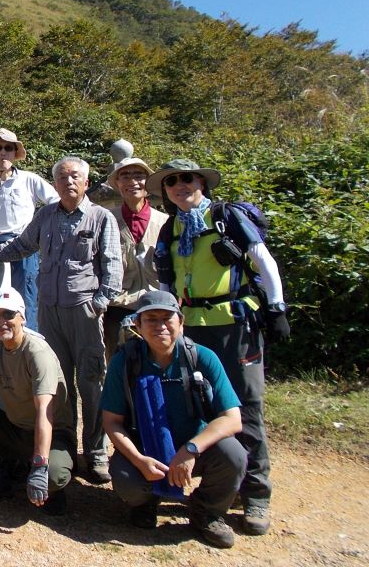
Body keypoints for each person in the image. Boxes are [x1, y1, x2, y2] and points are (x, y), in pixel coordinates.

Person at [0, 156, 122, 484]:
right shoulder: (45, 215)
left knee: (91, 382)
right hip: (49, 310)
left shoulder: (101, 217)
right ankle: (64, 445)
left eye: (75, 176)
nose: (68, 182)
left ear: (86, 182)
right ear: (55, 184)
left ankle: (96, 452)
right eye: (61, 177)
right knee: (57, 384)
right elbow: (20, 246)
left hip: (83, 310)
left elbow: (113, 266)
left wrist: (99, 304)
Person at [148, 159, 287, 536]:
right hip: (191, 327)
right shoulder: (170, 229)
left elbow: (262, 260)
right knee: (199, 404)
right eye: (171, 181)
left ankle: (256, 493)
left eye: (186, 178)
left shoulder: (226, 217)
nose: (179, 185)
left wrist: (277, 308)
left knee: (245, 404)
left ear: (202, 183)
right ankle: (221, 484)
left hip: (235, 324)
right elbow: (167, 282)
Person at [101, 290, 246, 549]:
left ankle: (206, 511)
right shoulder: (125, 362)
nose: (160, 326)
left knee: (234, 455)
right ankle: (146, 502)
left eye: (167, 318)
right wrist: (139, 460)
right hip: (146, 448)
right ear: (138, 325)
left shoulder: (202, 357)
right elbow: (112, 421)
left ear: (181, 322)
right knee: (125, 477)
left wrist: (191, 450)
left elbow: (232, 419)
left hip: (196, 446)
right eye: (151, 319)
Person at [0, 286, 74, 515]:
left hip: (53, 433)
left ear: (22, 317)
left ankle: (49, 482)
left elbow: (44, 412)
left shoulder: (37, 352)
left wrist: (39, 464)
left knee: (54, 476)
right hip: (17, 430)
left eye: (8, 314)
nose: (1, 321)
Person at [0, 128, 59, 332]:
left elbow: (56, 203)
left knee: (26, 299)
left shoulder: (29, 179)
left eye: (8, 148)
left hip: (24, 246)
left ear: (15, 153)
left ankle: (30, 344)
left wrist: (42, 230)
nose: (3, 152)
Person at [102, 157, 168, 362]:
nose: (133, 182)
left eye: (139, 176)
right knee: (118, 363)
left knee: (159, 360)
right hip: (118, 305)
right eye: (125, 176)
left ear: (148, 183)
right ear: (118, 184)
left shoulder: (165, 222)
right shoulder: (106, 220)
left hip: (157, 302)